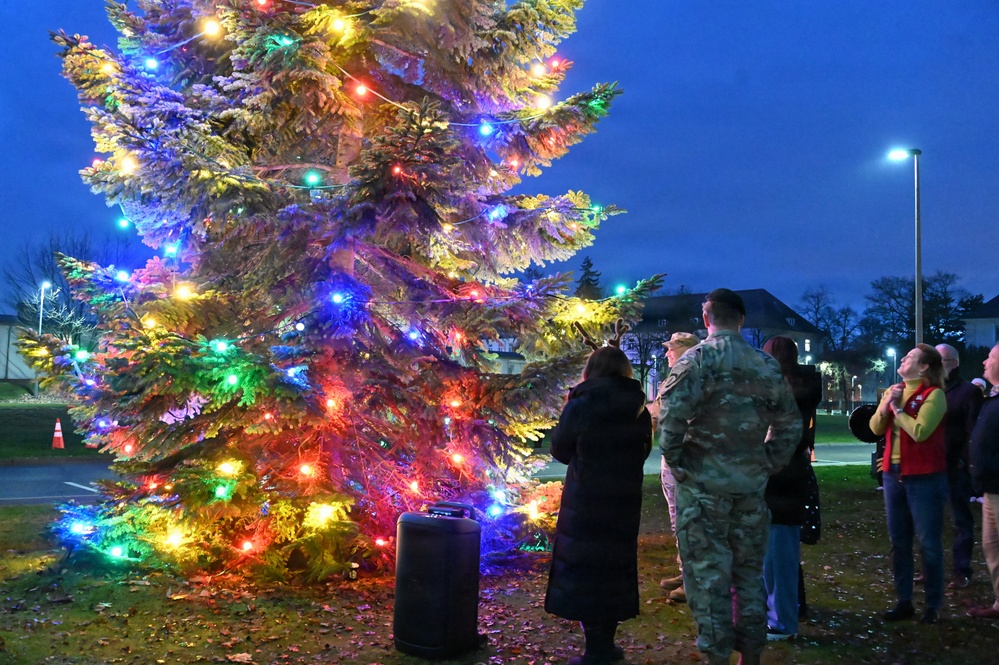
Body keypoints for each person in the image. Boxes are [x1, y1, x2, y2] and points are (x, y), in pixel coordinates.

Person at [657, 289, 801, 665]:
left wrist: (681, 465)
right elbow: (790, 423)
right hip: (750, 490)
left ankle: (717, 656)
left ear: (707, 320)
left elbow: (670, 424)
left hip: (704, 493)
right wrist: (769, 461)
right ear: (742, 320)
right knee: (749, 577)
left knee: (708, 581)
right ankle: (750, 656)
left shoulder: (694, 362)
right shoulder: (766, 365)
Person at [545, 342, 653, 665]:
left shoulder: (581, 405)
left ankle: (595, 650)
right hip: (623, 502)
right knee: (613, 569)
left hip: (586, 502)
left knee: (586, 570)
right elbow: (643, 451)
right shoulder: (639, 410)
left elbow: (560, 450)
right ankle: (605, 644)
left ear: (591, 372)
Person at [868, 344, 948, 624]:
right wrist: (887, 406)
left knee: (928, 542)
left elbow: (920, 432)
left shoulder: (934, 395)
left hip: (925, 477)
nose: (902, 359)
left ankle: (933, 605)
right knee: (899, 542)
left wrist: (897, 410)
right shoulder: (896, 390)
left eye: (910, 357)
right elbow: (875, 428)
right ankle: (904, 601)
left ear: (924, 366)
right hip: (893, 474)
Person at [760, 336, 822, 641]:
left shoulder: (783, 391)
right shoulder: (803, 386)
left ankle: (782, 620)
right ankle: (778, 614)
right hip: (789, 472)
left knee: (779, 551)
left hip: (780, 475)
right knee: (775, 550)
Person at [650, 331, 700, 603]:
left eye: (673, 348)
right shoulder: (671, 379)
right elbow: (656, 415)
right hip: (670, 463)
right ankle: (685, 572)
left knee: (687, 521)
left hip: (685, 461)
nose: (668, 353)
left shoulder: (692, 378)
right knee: (676, 520)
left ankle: (693, 581)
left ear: (687, 350)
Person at [934, 343, 984, 588]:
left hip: (954, 466)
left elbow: (971, 430)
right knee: (929, 519)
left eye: (939, 361)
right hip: (931, 465)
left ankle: (961, 569)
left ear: (953, 363)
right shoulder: (932, 390)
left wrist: (964, 460)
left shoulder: (967, 392)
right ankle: (932, 568)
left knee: (960, 520)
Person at [967, 343, 999, 619]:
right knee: (991, 545)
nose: (984, 362)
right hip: (990, 487)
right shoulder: (993, 397)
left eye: (990, 357)